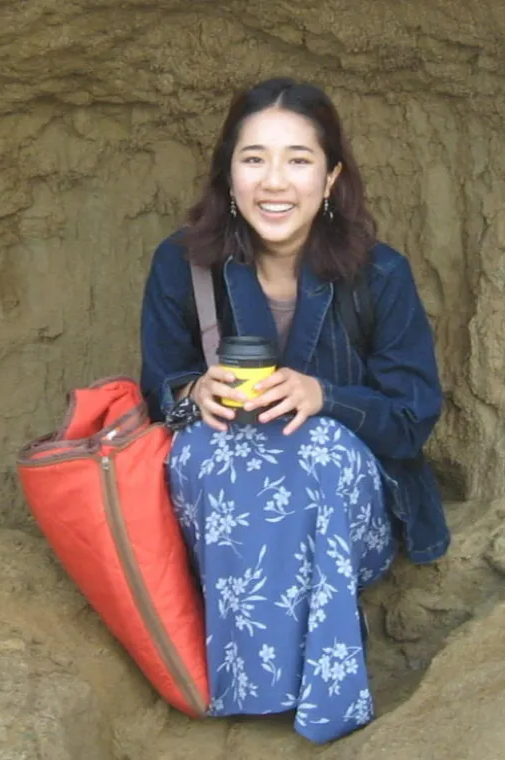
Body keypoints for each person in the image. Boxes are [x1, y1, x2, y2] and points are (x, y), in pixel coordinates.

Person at [139, 77, 449, 743]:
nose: (274, 182)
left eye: (298, 160)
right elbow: (157, 394)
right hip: (225, 516)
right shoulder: (182, 264)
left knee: (316, 447)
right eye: (253, 159)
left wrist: (324, 396)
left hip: (343, 513)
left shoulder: (380, 275)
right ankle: (247, 675)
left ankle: (323, 684)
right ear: (227, 173)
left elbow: (411, 419)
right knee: (210, 446)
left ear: (331, 177)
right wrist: (191, 394)